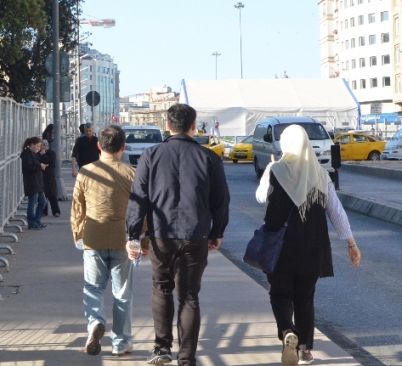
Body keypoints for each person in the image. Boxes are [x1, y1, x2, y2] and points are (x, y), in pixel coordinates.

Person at [125, 103, 230, 366]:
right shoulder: (209, 158)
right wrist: (217, 232)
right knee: (189, 296)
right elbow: (221, 201)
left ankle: (161, 348)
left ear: (168, 126)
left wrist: (133, 236)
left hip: (162, 235)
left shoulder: (150, 155)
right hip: (195, 234)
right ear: (194, 126)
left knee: (161, 288)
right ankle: (187, 358)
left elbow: (139, 200)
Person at [255, 125, 361, 366]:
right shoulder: (321, 175)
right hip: (313, 248)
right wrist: (351, 243)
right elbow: (336, 211)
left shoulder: (276, 169)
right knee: (305, 297)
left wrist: (270, 170)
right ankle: (304, 351)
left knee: (280, 293)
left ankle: (286, 332)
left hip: (279, 247)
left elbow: (261, 197)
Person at [72, 125, 148, 357]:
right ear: (123, 147)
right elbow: (142, 208)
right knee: (122, 293)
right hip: (123, 239)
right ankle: (121, 343)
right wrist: (142, 239)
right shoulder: (131, 173)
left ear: (99, 145)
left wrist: (78, 234)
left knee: (93, 287)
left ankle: (95, 322)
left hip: (93, 237)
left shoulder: (86, 172)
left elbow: (78, 207)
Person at [20, 137, 48, 229]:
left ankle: (37, 220)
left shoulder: (33, 154)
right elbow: (28, 168)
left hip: (37, 183)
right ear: (31, 144)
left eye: (39, 146)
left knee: (42, 201)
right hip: (32, 183)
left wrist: (41, 165)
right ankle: (32, 222)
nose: (38, 148)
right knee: (33, 202)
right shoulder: (26, 154)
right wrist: (40, 166)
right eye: (37, 146)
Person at [39, 142, 60, 217]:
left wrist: (44, 155)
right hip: (41, 176)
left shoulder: (51, 153)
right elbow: (38, 162)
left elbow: (50, 162)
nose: (42, 147)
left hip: (50, 176)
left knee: (52, 195)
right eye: (40, 145)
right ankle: (44, 211)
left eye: (43, 145)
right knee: (43, 194)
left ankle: (56, 211)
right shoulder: (38, 153)